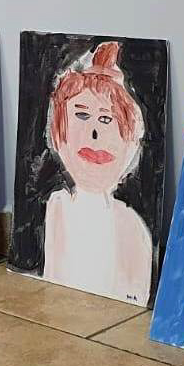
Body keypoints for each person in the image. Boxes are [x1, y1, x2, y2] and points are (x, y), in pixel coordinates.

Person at [40, 42, 153, 304]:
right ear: (57, 133)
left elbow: (134, 299)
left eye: (106, 119)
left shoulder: (132, 228)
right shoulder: (56, 207)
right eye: (81, 115)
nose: (94, 133)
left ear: (131, 141)